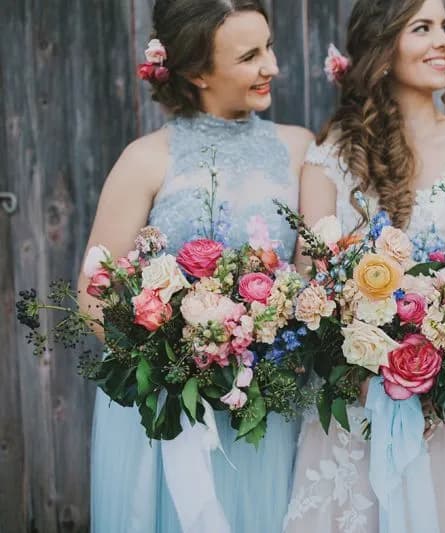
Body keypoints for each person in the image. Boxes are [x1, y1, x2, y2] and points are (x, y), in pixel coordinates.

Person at [79, 1, 312, 531]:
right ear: (195, 72)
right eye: (250, 56)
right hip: (174, 407)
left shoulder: (298, 149)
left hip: (265, 402)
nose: (271, 67)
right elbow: (94, 293)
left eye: (270, 47)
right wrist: (179, 363)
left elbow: (309, 279)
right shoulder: (146, 159)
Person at [282, 1, 445, 531]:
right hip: (354, 404)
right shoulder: (331, 158)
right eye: (422, 28)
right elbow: (309, 289)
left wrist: (443, 360)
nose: (443, 42)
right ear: (383, 49)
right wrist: (364, 366)